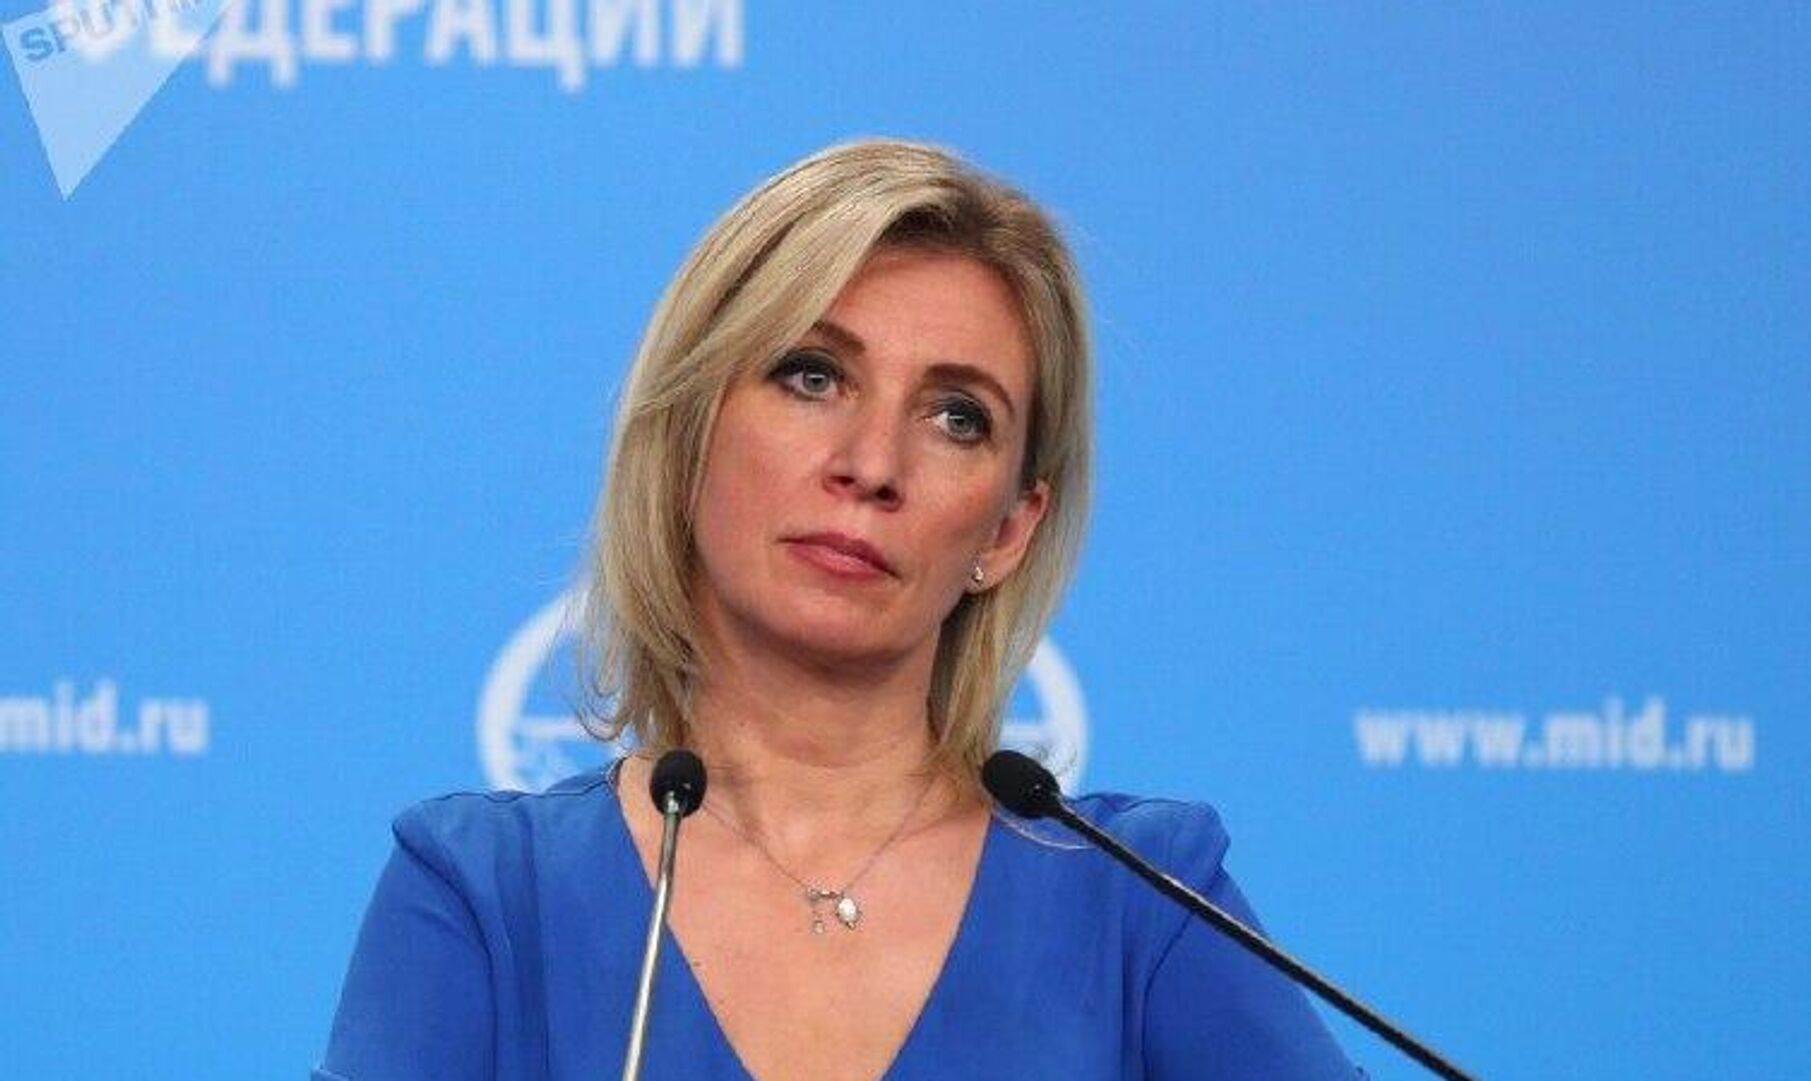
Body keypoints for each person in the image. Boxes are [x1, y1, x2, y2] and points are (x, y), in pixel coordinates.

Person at [313, 138, 1360, 1081]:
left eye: (957, 418)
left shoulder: (1142, 901)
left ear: (1007, 530)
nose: (872, 464)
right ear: (689, 433)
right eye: (813, 376)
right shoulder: (485, 895)